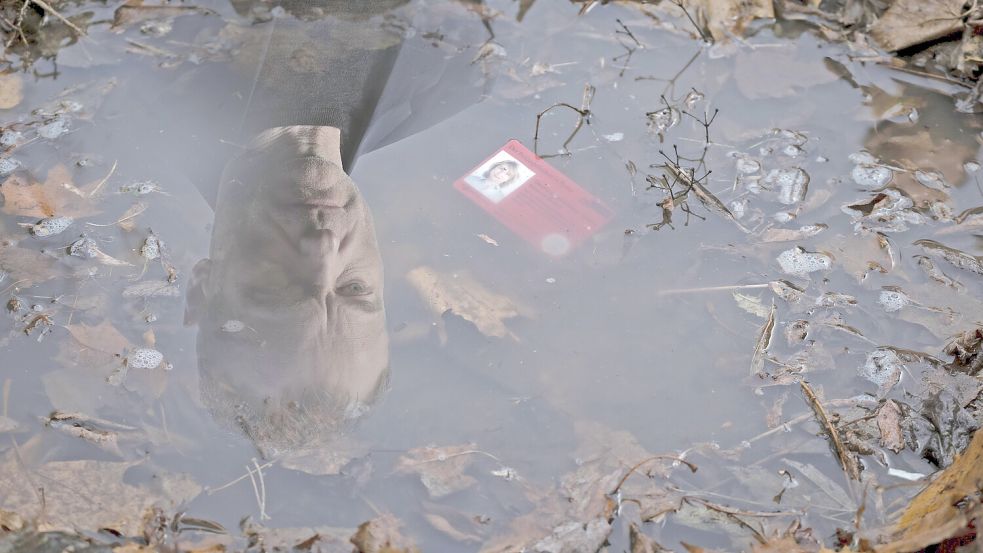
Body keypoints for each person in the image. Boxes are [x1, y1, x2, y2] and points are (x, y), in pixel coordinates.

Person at [185, 126, 389, 458]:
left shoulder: (129, 97)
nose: (324, 246)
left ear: (203, 289)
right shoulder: (458, 87)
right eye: (354, 289)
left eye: (277, 289)